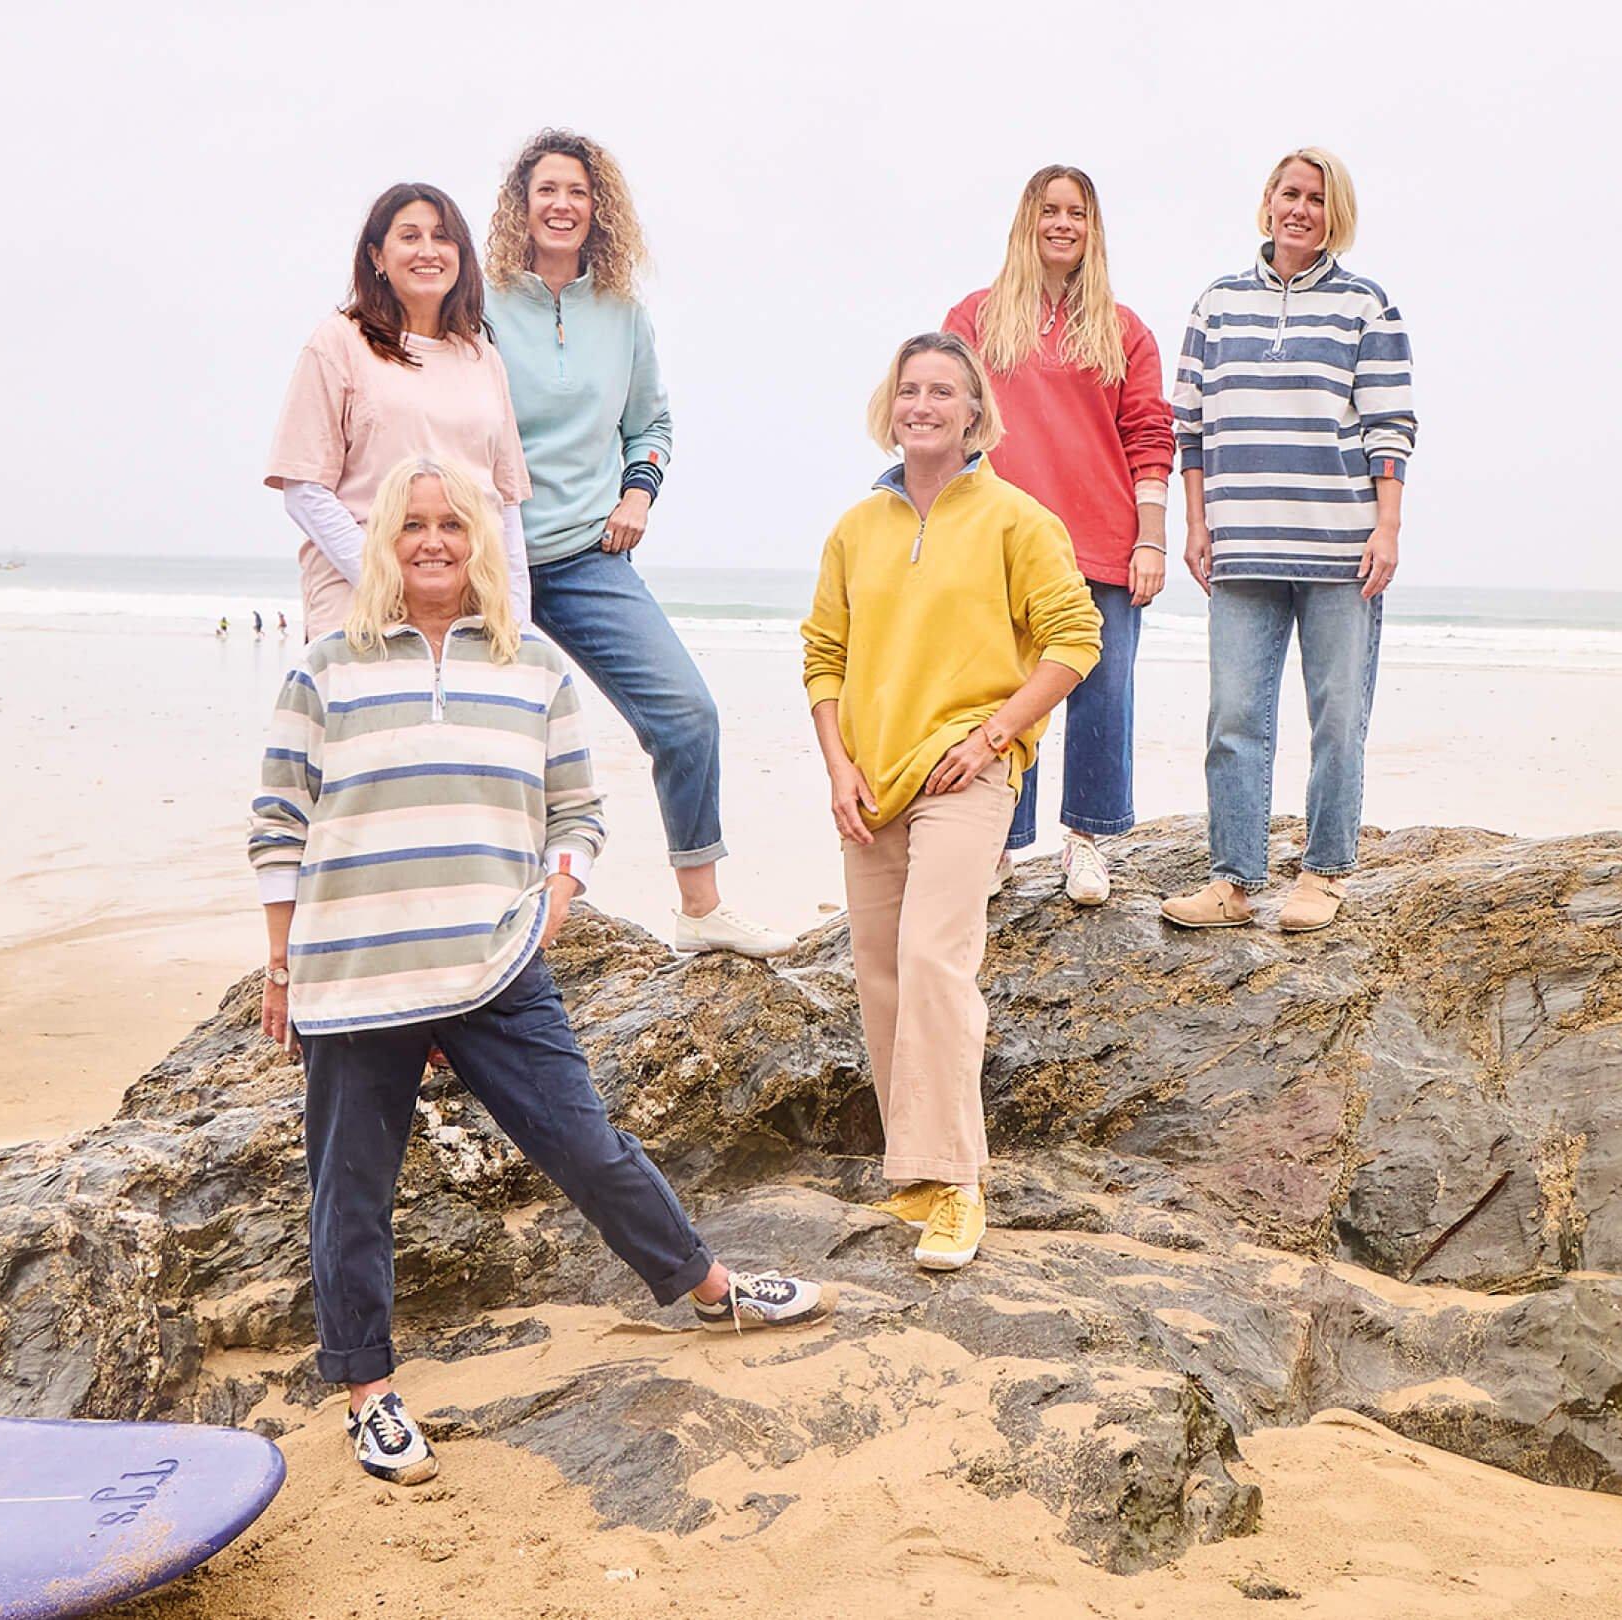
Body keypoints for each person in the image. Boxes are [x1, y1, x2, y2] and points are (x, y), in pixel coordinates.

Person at [252, 454, 831, 1488]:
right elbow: (278, 825)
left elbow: (580, 811)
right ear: (385, 542)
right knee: (351, 1194)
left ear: (483, 543)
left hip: (498, 963)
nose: (433, 542)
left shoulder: (535, 669)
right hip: (355, 974)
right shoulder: (325, 667)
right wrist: (279, 966)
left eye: (454, 525)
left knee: (587, 1144)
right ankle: (370, 1398)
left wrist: (557, 900)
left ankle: (709, 1288)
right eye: (413, 525)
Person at [799, 334, 1101, 1272]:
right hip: (872, 781)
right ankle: (916, 1174)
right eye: (909, 389)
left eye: (943, 391)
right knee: (881, 974)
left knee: (936, 961)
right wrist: (839, 768)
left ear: (975, 412)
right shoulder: (856, 529)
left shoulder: (1018, 520)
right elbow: (824, 659)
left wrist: (993, 738)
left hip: (965, 777)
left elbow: (1074, 640)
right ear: (891, 406)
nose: (922, 404)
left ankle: (962, 1183)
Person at [483, 129, 791, 958]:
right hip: (483, 560)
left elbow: (649, 421)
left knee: (688, 717)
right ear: (521, 204)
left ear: (597, 208)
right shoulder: (477, 305)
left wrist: (637, 493)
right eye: (546, 189)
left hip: (585, 555)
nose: (561, 204)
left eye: (577, 192)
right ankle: (478, 918)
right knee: (484, 744)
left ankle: (700, 907)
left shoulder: (622, 313)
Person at [1160, 148, 1416, 934]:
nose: (1300, 208)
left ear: (1334, 212)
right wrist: (1197, 524)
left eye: (1316, 198)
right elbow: (1190, 428)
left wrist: (1388, 527)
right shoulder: (1217, 304)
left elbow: (1390, 425)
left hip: (1341, 549)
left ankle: (1324, 872)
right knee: (1234, 716)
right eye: (1289, 193)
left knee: (1339, 716)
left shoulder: (1366, 306)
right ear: (1267, 202)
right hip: (1241, 547)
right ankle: (1234, 881)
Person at [942, 165, 1173, 905]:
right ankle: (1001, 844)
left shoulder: (1124, 328)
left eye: (1077, 213)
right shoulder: (976, 317)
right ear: (1028, 220)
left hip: (1103, 539)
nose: (1063, 224)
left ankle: (1088, 843)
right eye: (1050, 211)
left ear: (1093, 228)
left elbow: (1148, 433)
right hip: (1000, 541)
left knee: (1102, 693)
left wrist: (1152, 537)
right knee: (1005, 694)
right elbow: (949, 420)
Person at [266, 182, 533, 639]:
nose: (428, 250)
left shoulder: (482, 357)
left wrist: (517, 619)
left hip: (471, 608)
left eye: (442, 237)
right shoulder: (339, 343)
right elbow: (305, 489)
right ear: (376, 257)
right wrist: (386, 588)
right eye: (410, 236)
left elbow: (504, 503)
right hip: (361, 604)